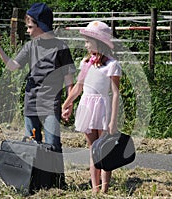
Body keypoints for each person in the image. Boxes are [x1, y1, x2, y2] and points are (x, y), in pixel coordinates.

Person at [0, 2, 76, 188]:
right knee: (32, 145)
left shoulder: (61, 47)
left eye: (30, 26)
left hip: (51, 103)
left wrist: (68, 104)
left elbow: (69, 80)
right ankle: (34, 183)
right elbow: (12, 67)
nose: (27, 31)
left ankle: (58, 184)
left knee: (53, 145)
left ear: (41, 25)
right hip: (31, 101)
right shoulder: (30, 47)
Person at [61, 21, 121, 193]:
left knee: (104, 150)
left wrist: (113, 120)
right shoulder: (86, 63)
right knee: (92, 149)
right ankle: (95, 189)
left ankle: (104, 189)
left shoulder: (111, 65)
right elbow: (79, 87)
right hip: (87, 107)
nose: (86, 44)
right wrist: (67, 104)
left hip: (102, 108)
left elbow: (115, 94)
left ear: (99, 42)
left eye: (88, 41)